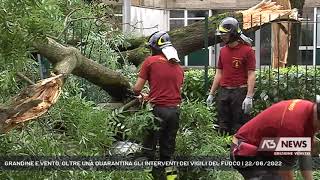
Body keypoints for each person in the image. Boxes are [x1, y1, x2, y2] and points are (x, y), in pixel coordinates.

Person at [133, 31, 184, 180]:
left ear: (155, 48)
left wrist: (142, 95)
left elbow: (136, 89)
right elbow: (169, 92)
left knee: (148, 148)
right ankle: (171, 178)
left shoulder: (150, 61)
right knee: (168, 151)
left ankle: (147, 177)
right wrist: (151, 96)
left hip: (157, 112)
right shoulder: (178, 67)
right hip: (174, 111)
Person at [230, 99, 319, 180]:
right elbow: (285, 172)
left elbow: (304, 154)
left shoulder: (310, 110)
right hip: (245, 152)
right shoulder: (293, 128)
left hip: (264, 150)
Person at [206, 17, 256, 135]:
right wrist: (211, 94)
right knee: (222, 125)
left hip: (240, 93)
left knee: (239, 126)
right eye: (221, 34)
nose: (221, 36)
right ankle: (223, 152)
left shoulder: (247, 51)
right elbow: (219, 73)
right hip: (224, 92)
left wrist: (249, 97)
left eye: (224, 34)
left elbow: (251, 74)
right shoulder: (223, 51)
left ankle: (237, 151)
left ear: (233, 33)